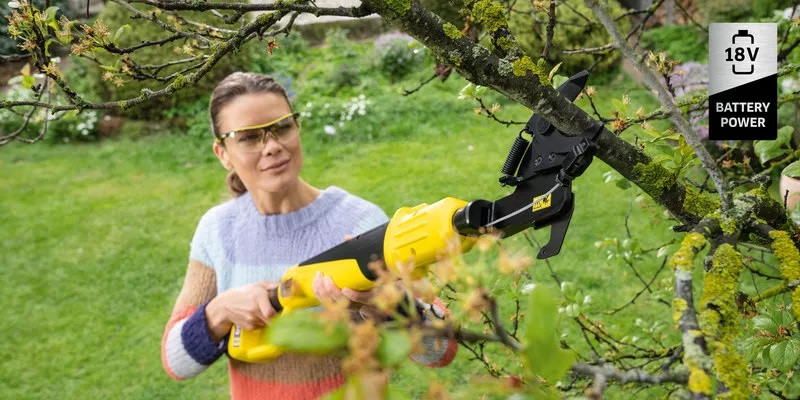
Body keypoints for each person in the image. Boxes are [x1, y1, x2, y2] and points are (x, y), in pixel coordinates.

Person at [161, 72, 457, 400]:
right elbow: (176, 361)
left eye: (282, 127)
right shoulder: (217, 230)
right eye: (248, 137)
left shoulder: (360, 222)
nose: (272, 146)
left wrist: (383, 304)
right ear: (223, 153)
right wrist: (219, 312)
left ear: (297, 128)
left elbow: (441, 350)